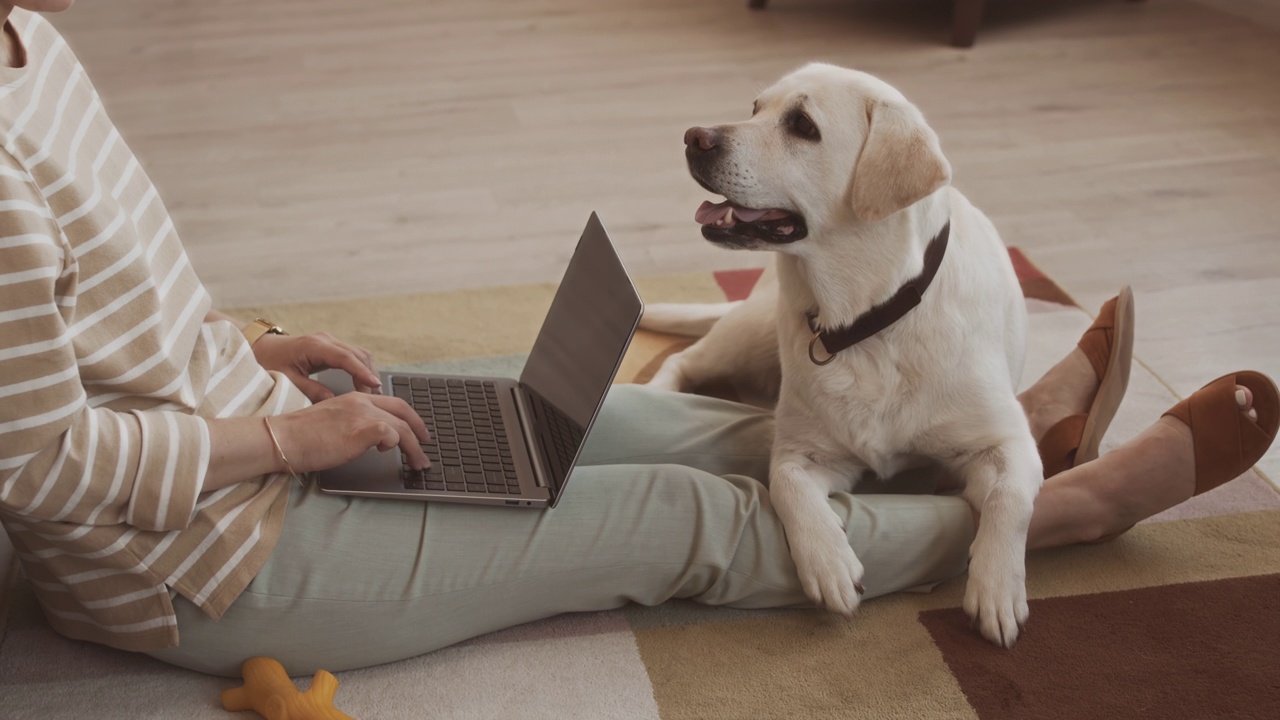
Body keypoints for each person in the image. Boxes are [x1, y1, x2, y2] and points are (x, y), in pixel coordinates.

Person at [1, 2, 1275, 677]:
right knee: (682, 517)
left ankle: (999, 425)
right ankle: (1065, 505)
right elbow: (34, 463)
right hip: (194, 559)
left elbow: (99, 319)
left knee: (695, 425)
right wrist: (279, 437)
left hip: (228, 427)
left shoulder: (34, 39)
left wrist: (249, 354)